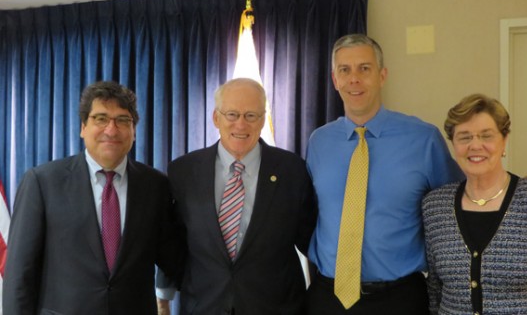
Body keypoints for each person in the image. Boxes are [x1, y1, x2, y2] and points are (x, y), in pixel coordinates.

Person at [305, 33, 464, 315]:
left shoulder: (424, 139)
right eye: (345, 70)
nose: (354, 79)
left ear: (382, 75)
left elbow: (461, 205)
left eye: (364, 68)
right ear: (335, 79)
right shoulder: (319, 142)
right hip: (328, 298)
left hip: (399, 299)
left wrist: (515, 190)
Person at [3, 81, 180, 315]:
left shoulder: (156, 185)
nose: (111, 129)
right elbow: (19, 275)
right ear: (83, 127)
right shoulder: (42, 182)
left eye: (122, 120)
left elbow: (174, 257)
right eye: (101, 118)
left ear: (134, 131)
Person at [156, 77, 317, 315]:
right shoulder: (183, 171)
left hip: (276, 307)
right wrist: (163, 298)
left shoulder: (292, 170)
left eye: (251, 115)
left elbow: (310, 240)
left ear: (263, 120)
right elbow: (173, 241)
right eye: (232, 114)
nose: (241, 125)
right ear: (216, 118)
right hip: (204, 305)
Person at [422, 94, 527, 314]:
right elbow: (435, 293)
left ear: (504, 139)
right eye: (464, 137)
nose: (475, 145)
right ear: (453, 143)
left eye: (486, 136)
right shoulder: (435, 208)